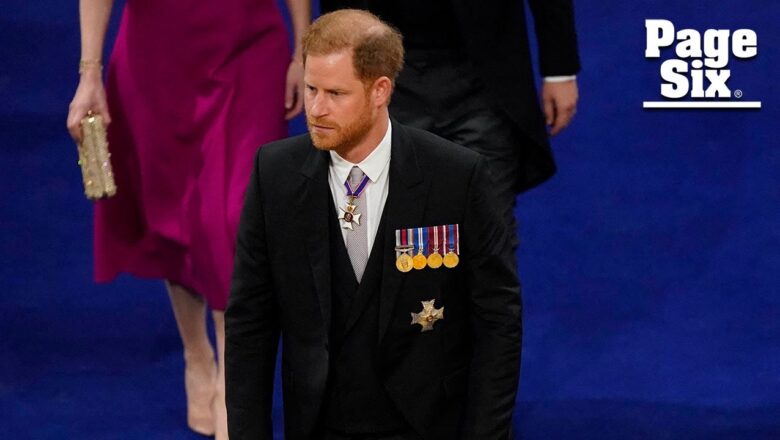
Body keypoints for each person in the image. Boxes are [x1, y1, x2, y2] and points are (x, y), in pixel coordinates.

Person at [226, 9, 522, 440]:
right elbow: (249, 325)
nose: (316, 109)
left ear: (380, 89)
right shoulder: (275, 174)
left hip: (427, 426)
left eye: (336, 93)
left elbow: (497, 320)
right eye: (311, 89)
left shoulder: (457, 176)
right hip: (319, 426)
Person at [65, 0, 310, 438]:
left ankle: (232, 386)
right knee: (173, 215)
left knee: (233, 217)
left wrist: (303, 49)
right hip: (155, 57)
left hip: (249, 49)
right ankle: (197, 356)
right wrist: (90, 71)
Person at [320, 0, 581, 244]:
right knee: (384, 237)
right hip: (382, 74)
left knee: (489, 232)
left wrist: (559, 70)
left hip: (483, 76)